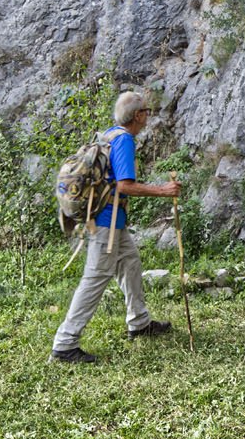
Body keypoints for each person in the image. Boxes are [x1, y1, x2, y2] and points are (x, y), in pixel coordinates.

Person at [51, 91, 180, 364]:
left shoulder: (109, 134)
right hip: (105, 226)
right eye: (146, 110)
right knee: (94, 279)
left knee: (131, 264)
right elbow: (125, 185)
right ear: (138, 116)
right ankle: (65, 344)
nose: (148, 115)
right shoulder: (123, 141)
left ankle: (139, 322)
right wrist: (163, 190)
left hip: (113, 225)